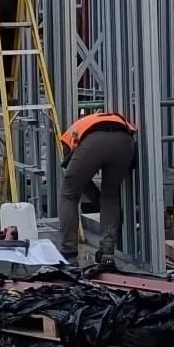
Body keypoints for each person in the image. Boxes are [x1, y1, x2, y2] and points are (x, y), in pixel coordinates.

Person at [57, 111, 137, 265]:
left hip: (93, 143)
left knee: (69, 194)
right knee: (111, 196)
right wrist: (101, 201)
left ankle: (69, 252)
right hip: (125, 140)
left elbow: (78, 181)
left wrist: (96, 200)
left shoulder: (67, 138)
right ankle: (107, 252)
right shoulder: (89, 122)